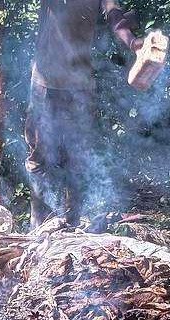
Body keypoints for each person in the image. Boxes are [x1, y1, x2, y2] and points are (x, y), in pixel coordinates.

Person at [26, 0, 142, 229]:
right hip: (45, 83)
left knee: (77, 157)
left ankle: (71, 225)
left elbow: (115, 16)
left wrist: (133, 43)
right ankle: (38, 227)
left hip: (80, 86)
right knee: (39, 158)